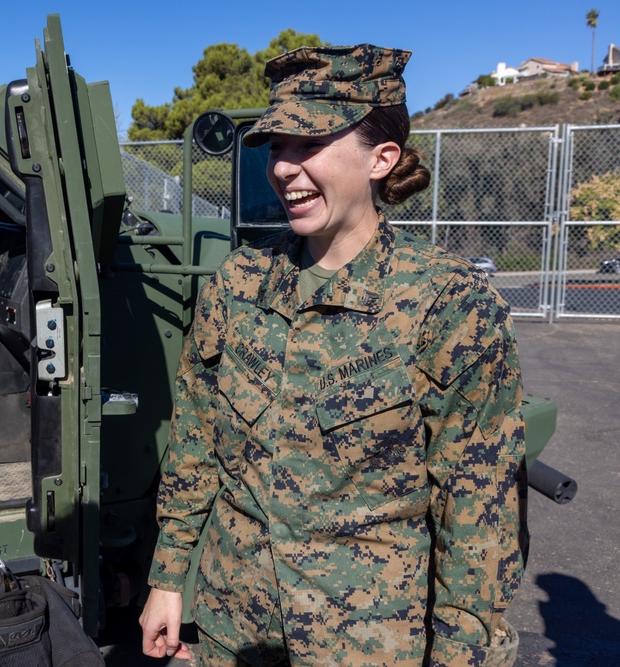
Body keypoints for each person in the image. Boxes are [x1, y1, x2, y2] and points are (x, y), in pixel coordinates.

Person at [140, 44, 527, 666]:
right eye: (276, 147)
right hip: (233, 625)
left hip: (366, 640)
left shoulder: (446, 304)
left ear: (382, 158)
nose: (284, 168)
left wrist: (463, 656)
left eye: (308, 144)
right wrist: (167, 579)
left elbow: (477, 508)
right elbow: (196, 442)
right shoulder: (238, 283)